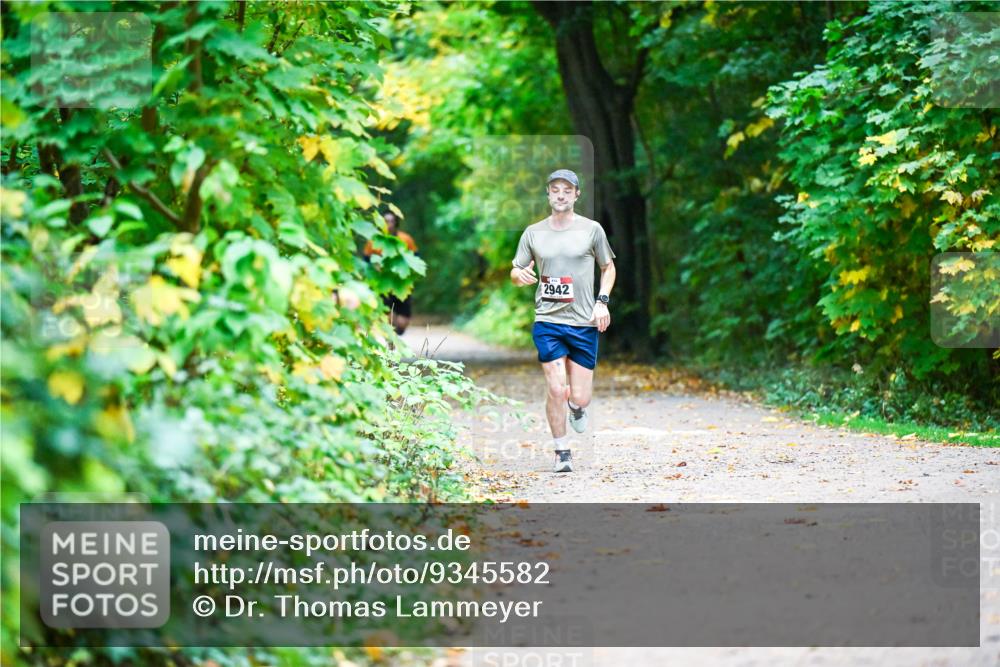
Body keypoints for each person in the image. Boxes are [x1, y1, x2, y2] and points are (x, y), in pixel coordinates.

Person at [510, 169, 616, 473]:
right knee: (556, 388)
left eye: (567, 190)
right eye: (555, 189)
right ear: (548, 193)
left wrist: (602, 301)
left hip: (583, 323)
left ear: (576, 195)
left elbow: (608, 268)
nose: (560, 195)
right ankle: (562, 452)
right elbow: (515, 271)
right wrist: (520, 276)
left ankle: (576, 407)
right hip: (548, 321)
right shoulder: (533, 233)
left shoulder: (592, 230)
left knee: (580, 396)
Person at [364, 210, 418, 335]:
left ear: (396, 223)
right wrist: (375, 267)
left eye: (392, 221)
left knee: (402, 324)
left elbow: (415, 258)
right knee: (389, 318)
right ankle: (390, 339)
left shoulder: (405, 239)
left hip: (402, 282)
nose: (389, 224)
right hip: (383, 283)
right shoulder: (374, 241)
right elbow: (366, 261)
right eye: (386, 221)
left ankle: (396, 332)